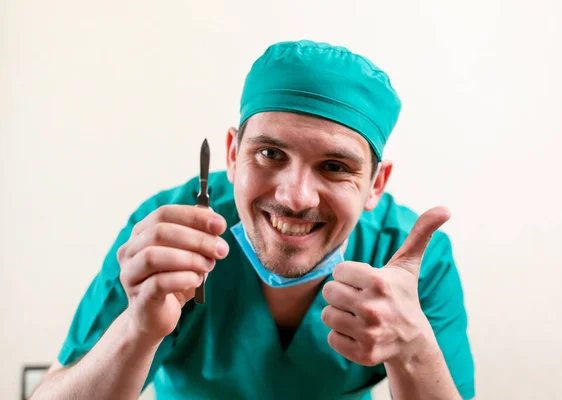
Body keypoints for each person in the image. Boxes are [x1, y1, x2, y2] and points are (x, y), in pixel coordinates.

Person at [32, 40, 475, 400]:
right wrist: (137, 330)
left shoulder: (410, 260)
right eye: (269, 153)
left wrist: (412, 350)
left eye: (335, 166)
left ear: (376, 184)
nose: (295, 198)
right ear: (231, 154)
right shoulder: (167, 236)